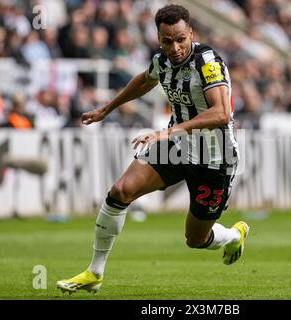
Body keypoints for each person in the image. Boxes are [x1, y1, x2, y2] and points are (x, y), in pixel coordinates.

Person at [56, 4, 249, 294]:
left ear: (191, 33)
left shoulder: (207, 61)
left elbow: (221, 113)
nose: (175, 47)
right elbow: (145, 80)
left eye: (181, 39)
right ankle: (94, 272)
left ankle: (234, 235)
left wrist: (168, 131)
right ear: (158, 38)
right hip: (176, 146)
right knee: (120, 192)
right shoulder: (162, 60)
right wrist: (107, 109)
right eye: (167, 41)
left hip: (214, 156)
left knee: (195, 239)